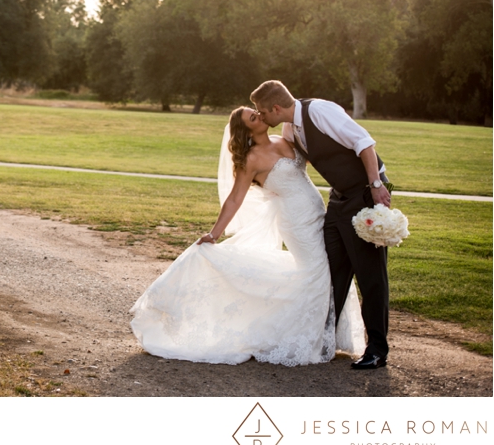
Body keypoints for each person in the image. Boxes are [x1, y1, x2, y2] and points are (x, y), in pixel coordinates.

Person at [130, 107, 365, 366]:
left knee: (329, 270)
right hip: (296, 223)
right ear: (247, 130)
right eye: (253, 117)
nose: (259, 115)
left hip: (318, 213)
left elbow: (315, 162)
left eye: (256, 112)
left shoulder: (284, 140)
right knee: (317, 272)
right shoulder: (251, 159)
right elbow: (234, 199)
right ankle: (298, 337)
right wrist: (214, 233)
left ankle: (325, 335)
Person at [250, 80, 390, 370]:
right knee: (331, 272)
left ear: (276, 108)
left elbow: (364, 143)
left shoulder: (321, 111)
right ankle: (322, 340)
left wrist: (376, 186)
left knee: (370, 275)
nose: (261, 117)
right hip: (338, 200)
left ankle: (377, 350)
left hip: (365, 194)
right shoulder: (290, 128)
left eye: (262, 112)